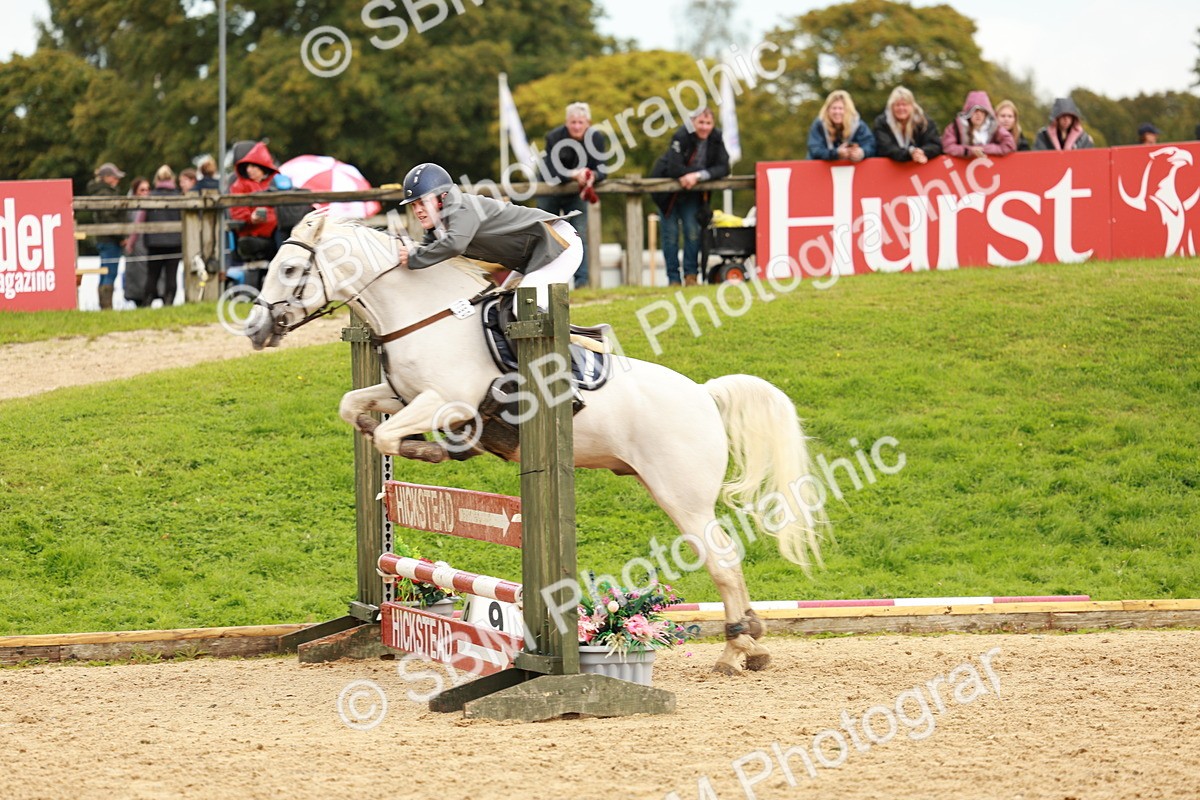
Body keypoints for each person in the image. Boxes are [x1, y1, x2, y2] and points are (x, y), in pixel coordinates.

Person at [396, 162, 582, 307]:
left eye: (423, 202)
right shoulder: (439, 225)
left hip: (559, 243)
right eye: (414, 205)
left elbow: (454, 245)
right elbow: (427, 253)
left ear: (442, 197)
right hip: (539, 253)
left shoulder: (461, 207)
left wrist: (413, 258)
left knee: (525, 306)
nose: (418, 210)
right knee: (503, 309)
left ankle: (572, 352)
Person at [649, 107, 731, 286]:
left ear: (713, 124)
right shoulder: (681, 136)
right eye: (700, 122)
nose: (704, 127)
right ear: (693, 123)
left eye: (708, 123)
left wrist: (698, 176)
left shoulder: (716, 137)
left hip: (693, 193)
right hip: (667, 194)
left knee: (693, 233)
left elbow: (724, 167)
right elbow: (674, 168)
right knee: (670, 236)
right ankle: (673, 279)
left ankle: (691, 276)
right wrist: (693, 174)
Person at [536, 102, 608, 289]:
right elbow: (552, 172)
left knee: (578, 236)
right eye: (573, 122)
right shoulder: (554, 137)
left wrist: (592, 176)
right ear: (567, 123)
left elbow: (602, 169)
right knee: (546, 235)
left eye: (580, 122)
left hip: (576, 193)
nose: (577, 126)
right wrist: (574, 174)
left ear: (588, 123)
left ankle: (582, 283)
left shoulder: (597, 138)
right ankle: (545, 282)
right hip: (549, 191)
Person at [229, 141, 280, 290]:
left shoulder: (275, 183)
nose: (249, 170)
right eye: (248, 166)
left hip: (277, 229)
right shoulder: (239, 185)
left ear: (262, 167)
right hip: (253, 230)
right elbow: (237, 212)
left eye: (253, 166)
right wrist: (251, 217)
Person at [85, 162, 126, 310]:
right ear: (107, 178)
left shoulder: (99, 192)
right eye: (115, 177)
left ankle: (104, 305)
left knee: (104, 271)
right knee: (110, 272)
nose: (117, 180)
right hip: (110, 238)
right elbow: (109, 218)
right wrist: (121, 236)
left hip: (104, 238)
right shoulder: (106, 194)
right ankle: (106, 306)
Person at [143, 165, 182, 307]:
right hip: (175, 242)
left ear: (157, 179)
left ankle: (147, 302)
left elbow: (140, 219)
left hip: (154, 242)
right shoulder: (179, 196)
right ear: (172, 178)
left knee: (153, 275)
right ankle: (169, 303)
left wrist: (130, 241)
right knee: (172, 275)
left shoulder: (150, 197)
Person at [872, 87, 942, 164]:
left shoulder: (924, 122)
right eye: (897, 105)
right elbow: (885, 148)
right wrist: (909, 153)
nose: (901, 108)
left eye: (904, 104)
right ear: (891, 107)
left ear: (912, 106)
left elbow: (935, 145)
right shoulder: (882, 123)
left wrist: (922, 152)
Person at [941, 90, 1015, 159]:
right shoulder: (956, 127)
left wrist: (984, 149)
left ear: (986, 113)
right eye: (975, 111)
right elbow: (947, 147)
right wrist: (969, 151)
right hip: (959, 169)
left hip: (989, 169)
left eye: (982, 111)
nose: (978, 115)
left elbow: (1009, 144)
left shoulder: (994, 127)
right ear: (968, 112)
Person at [807, 90, 875, 162]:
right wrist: (836, 153)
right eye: (834, 108)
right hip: (821, 169)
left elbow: (870, 145)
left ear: (847, 110)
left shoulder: (858, 125)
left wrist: (861, 152)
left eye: (840, 108)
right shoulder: (819, 124)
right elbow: (815, 150)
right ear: (828, 110)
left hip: (852, 169)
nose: (837, 112)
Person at [122, 177, 152, 307]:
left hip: (148, 246)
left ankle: (148, 299)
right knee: (135, 276)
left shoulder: (153, 205)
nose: (145, 192)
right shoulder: (128, 206)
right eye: (142, 190)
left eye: (147, 189)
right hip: (133, 249)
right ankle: (138, 300)